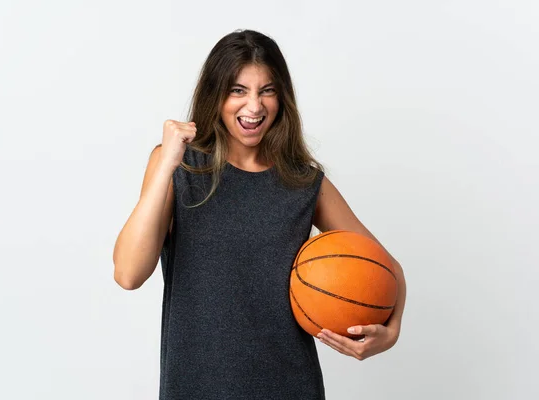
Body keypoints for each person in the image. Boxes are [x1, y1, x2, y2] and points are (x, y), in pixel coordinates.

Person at [113, 29, 406, 400]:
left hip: (291, 387)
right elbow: (128, 274)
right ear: (215, 95)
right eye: (238, 90)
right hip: (195, 388)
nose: (254, 106)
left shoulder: (303, 181)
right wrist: (168, 163)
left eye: (266, 90)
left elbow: (388, 267)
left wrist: (390, 333)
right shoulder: (179, 166)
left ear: (281, 97)